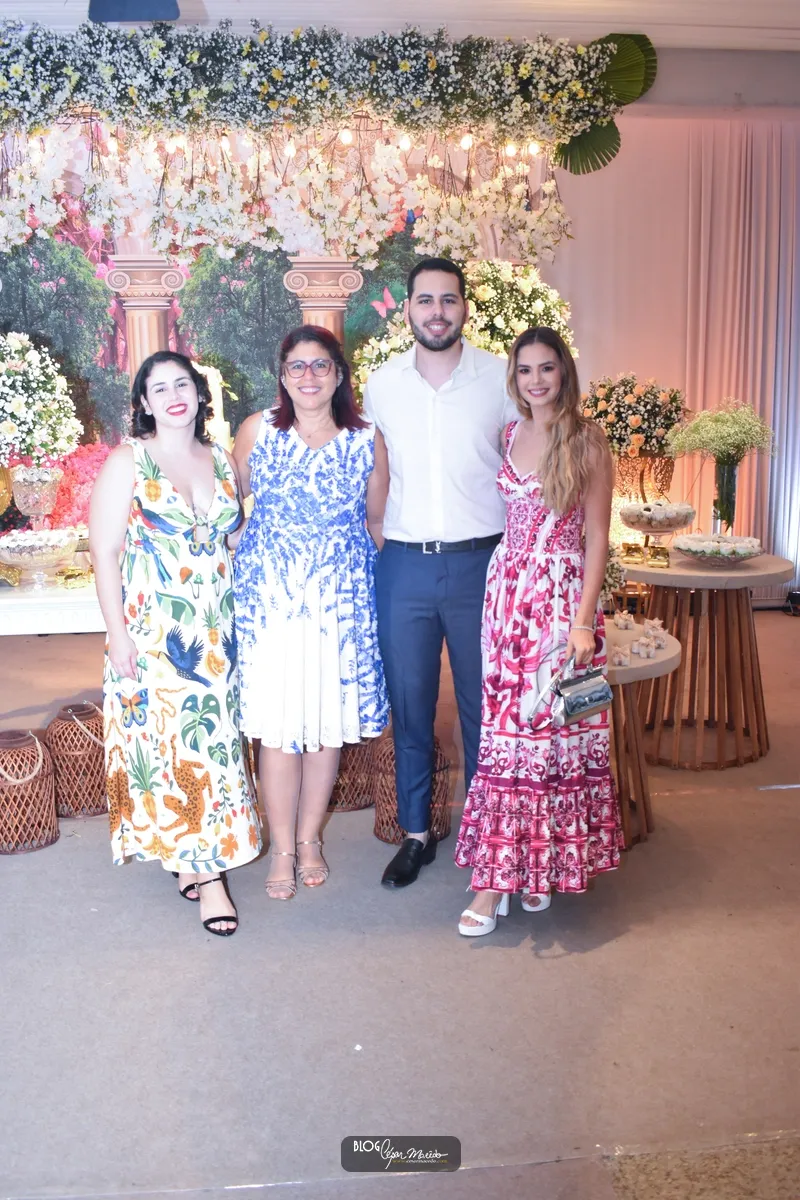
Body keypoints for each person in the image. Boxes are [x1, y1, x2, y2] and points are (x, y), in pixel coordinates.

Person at [454, 327, 623, 936]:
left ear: (564, 372)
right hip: (506, 597)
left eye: (546, 368)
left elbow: (598, 537)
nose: (536, 381)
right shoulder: (510, 433)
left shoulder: (587, 440)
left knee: (547, 734)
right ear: (514, 378)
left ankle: (504, 879)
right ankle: (513, 873)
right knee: (506, 732)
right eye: (525, 370)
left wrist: (583, 620)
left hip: (558, 601)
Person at [89, 351, 262, 938]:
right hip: (153, 630)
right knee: (174, 747)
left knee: (212, 745)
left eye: (181, 384)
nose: (172, 396)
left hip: (216, 629)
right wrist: (117, 634)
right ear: (143, 402)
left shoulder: (221, 459)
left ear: (199, 392)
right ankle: (210, 878)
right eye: (158, 388)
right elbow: (105, 551)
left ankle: (190, 855)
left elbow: (231, 537)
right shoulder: (128, 461)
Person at [363, 258, 518, 889]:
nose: (436, 312)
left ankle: (484, 833)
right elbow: (377, 471)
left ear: (464, 308)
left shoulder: (500, 378)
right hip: (405, 565)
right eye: (424, 300)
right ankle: (416, 833)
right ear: (408, 309)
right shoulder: (382, 384)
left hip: (483, 562)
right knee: (411, 705)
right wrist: (381, 536)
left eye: (448, 300)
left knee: (485, 705)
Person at [232, 325, 389, 900]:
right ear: (282, 375)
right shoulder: (257, 431)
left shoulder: (366, 437)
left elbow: (377, 524)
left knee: (325, 727)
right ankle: (280, 848)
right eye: (296, 366)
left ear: (339, 374)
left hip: (339, 602)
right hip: (271, 602)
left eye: (320, 365)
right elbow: (229, 509)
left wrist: (369, 599)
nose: (308, 376)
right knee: (278, 730)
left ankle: (308, 841)